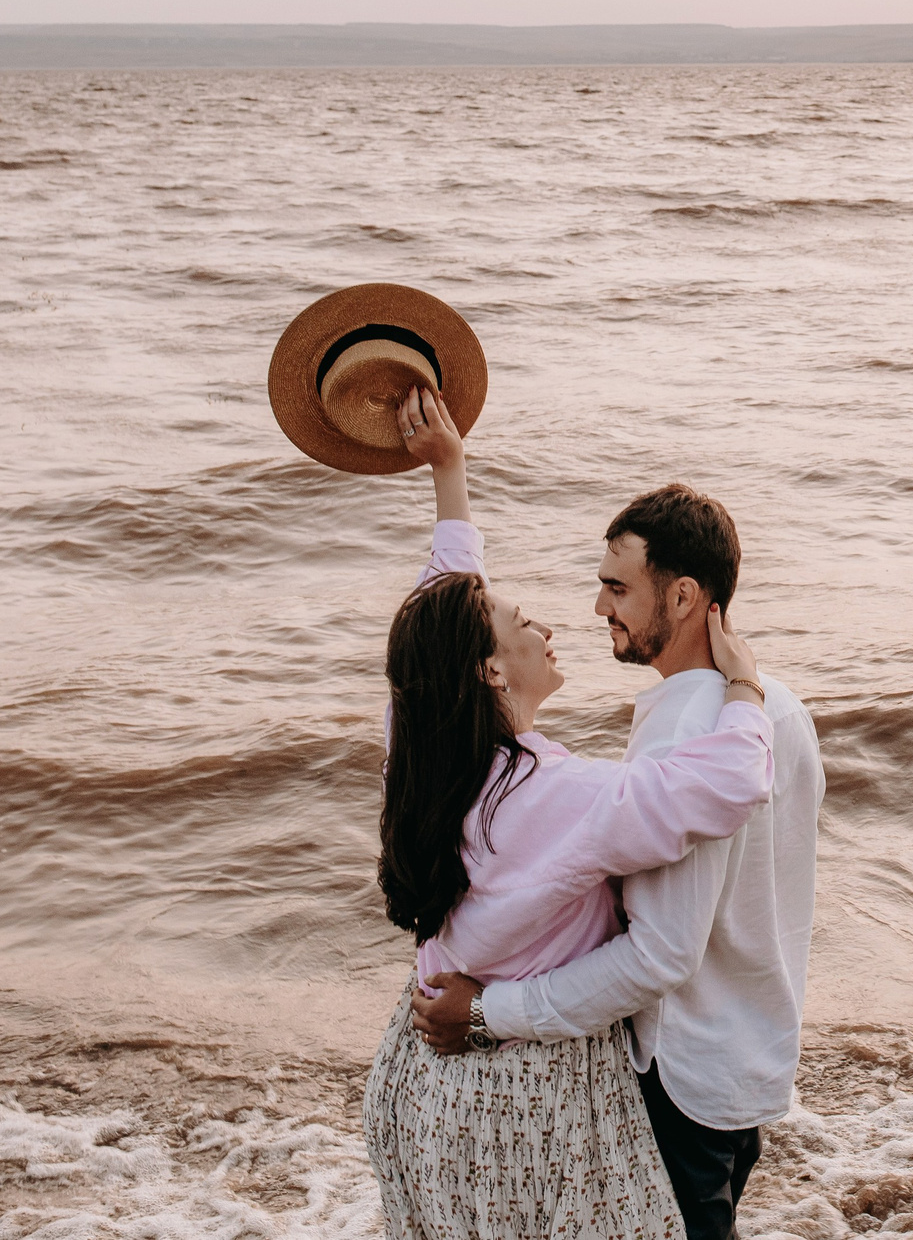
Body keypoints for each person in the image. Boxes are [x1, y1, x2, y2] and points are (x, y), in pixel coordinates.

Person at [362, 387, 780, 1240]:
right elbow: (733, 779)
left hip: (416, 1086)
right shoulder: (560, 797)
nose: (554, 622)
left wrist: (450, 474)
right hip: (519, 1105)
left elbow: (440, 605)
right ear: (488, 671)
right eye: (522, 621)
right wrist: (743, 684)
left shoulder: (417, 750)